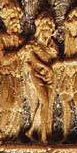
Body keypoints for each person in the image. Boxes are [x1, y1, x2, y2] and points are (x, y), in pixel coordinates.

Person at [0, 0, 26, 141]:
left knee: (17, 106)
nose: (16, 22)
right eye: (12, 19)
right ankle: (2, 131)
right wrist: (20, 52)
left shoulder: (20, 39)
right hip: (6, 76)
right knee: (6, 103)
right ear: (6, 20)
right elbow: (4, 59)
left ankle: (13, 135)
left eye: (17, 19)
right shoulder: (2, 38)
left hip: (18, 77)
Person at [22, 12, 59, 143]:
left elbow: (56, 59)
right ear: (39, 28)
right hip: (37, 74)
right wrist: (47, 67)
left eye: (49, 29)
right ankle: (43, 136)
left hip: (50, 77)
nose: (47, 31)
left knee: (46, 103)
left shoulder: (52, 46)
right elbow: (33, 59)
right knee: (44, 102)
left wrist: (51, 69)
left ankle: (32, 130)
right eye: (44, 28)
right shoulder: (33, 44)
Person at [54, 6, 77, 141]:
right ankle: (65, 135)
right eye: (69, 18)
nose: (69, 20)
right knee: (65, 104)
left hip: (76, 73)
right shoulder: (68, 36)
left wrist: (64, 62)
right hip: (66, 74)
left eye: (72, 18)